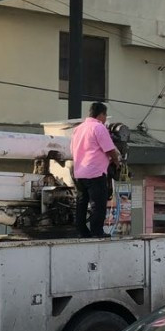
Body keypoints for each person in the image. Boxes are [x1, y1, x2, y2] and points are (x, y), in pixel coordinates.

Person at [71, 102, 122, 238]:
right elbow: (110, 149)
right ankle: (97, 232)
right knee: (98, 204)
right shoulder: (98, 127)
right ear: (101, 115)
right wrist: (116, 162)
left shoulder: (78, 129)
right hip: (95, 172)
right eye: (105, 115)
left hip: (79, 172)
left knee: (81, 203)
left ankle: (82, 231)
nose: (105, 119)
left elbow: (73, 150)